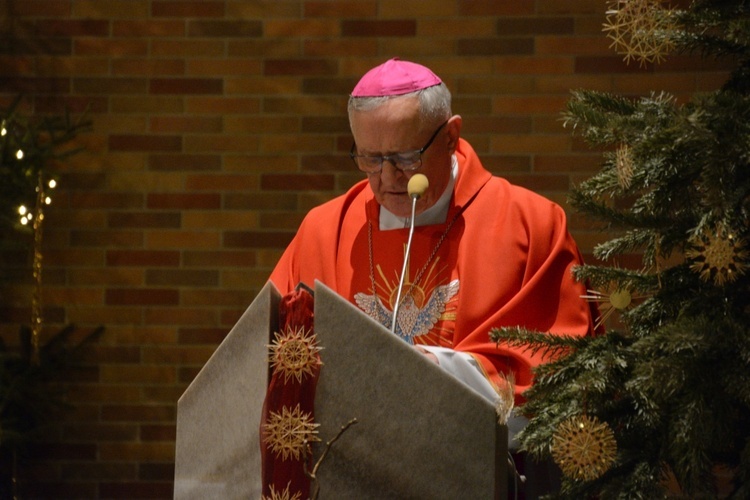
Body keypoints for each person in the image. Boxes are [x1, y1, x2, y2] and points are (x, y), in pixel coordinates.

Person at [268, 58, 598, 495]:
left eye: (406, 158)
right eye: (368, 158)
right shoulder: (323, 230)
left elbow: (560, 365)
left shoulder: (530, 224)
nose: (387, 179)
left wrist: (425, 374)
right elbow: (275, 360)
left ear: (450, 137)